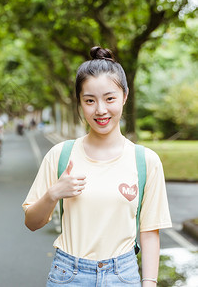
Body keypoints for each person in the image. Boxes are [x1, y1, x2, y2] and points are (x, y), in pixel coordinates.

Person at [22, 46, 172, 286]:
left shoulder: (146, 161)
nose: (100, 110)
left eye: (109, 98)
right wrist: (53, 194)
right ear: (80, 103)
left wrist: (150, 282)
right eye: (89, 100)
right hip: (68, 275)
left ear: (124, 96)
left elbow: (150, 232)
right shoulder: (61, 155)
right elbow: (32, 222)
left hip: (123, 275)